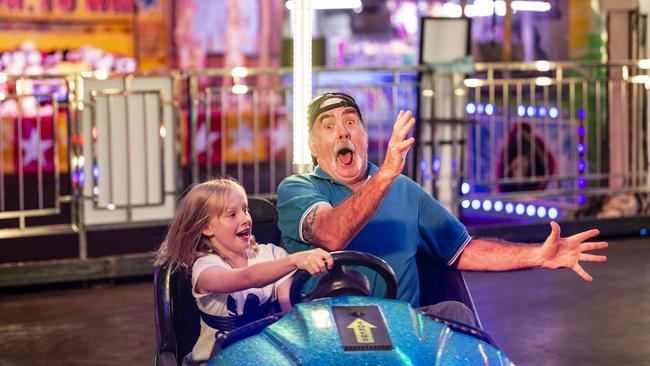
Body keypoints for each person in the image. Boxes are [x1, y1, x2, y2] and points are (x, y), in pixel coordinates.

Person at [277, 92, 608, 325]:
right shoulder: (299, 188)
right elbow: (331, 234)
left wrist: (539, 256)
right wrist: (388, 173)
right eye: (328, 126)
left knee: (456, 314)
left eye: (350, 122)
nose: (342, 132)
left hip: (399, 327)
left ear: (363, 135)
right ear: (313, 145)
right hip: (326, 332)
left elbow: (463, 250)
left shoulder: (404, 190)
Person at [155, 178, 333, 365]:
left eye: (245, 210)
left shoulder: (272, 254)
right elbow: (247, 278)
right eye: (232, 214)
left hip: (265, 358)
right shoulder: (205, 268)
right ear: (206, 227)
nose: (245, 219)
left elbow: (288, 308)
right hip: (213, 360)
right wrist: (294, 259)